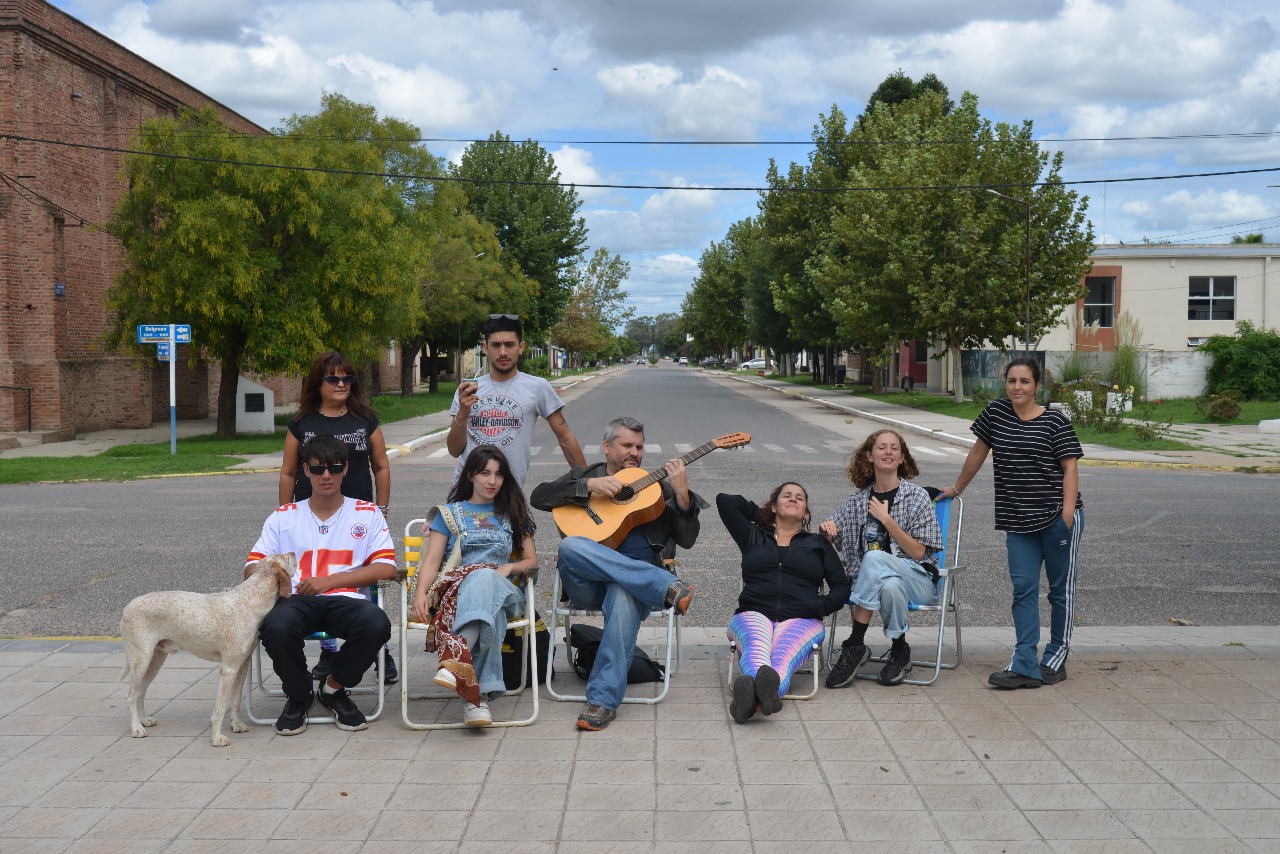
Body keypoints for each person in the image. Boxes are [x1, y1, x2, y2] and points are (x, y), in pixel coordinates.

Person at [530, 416, 702, 731]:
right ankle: (662, 584)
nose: (634, 452)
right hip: (589, 585)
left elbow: (687, 540)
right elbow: (538, 497)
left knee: (623, 592)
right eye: (627, 445)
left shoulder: (657, 486)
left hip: (633, 591)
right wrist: (586, 486)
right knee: (570, 547)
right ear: (607, 447)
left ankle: (602, 702)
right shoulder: (588, 476)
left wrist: (682, 497)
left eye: (639, 447)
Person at [941, 356, 1084, 689]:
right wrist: (956, 488)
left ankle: (1055, 657)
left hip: (1056, 517)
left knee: (1060, 591)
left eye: (1025, 381)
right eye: (1012, 381)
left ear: (1037, 386)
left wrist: (1066, 514)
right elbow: (978, 453)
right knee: (1023, 590)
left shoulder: (1054, 421)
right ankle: (1024, 664)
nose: (1017, 387)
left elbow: (1070, 467)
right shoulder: (996, 413)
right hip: (1018, 521)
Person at [248, 434, 396, 735]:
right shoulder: (284, 516)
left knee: (376, 623)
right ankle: (299, 694)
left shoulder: (367, 513)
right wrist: (281, 579)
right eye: (317, 468)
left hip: (347, 599)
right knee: (275, 626)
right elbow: (252, 566)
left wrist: (329, 581)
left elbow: (386, 568)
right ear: (305, 470)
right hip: (295, 599)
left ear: (346, 469)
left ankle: (333, 688)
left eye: (334, 467)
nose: (326, 475)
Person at [278, 352, 396, 686]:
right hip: (313, 513)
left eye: (347, 378)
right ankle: (329, 650)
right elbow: (287, 472)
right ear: (318, 383)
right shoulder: (302, 424)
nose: (341, 384)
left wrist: (382, 511)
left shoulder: (365, 420)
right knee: (316, 578)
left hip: (357, 517)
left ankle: (379, 649)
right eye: (333, 378)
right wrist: (285, 514)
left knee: (363, 585)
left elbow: (381, 466)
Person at [408, 445, 538, 726]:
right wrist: (419, 594)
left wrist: (509, 567)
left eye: (499, 475)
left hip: (505, 591)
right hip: (459, 595)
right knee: (492, 615)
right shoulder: (448, 514)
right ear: (470, 475)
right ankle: (476, 701)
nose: (492, 481)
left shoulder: (512, 512)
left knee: (485, 576)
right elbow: (432, 562)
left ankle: (457, 653)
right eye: (485, 473)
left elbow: (531, 561)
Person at [717, 483, 850, 724]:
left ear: (806, 512)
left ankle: (749, 699)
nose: (793, 499)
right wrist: (764, 516)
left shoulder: (818, 544)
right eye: (786, 496)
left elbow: (841, 585)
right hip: (752, 613)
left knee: (782, 657)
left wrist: (820, 606)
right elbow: (725, 501)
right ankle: (761, 698)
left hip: (803, 618)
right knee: (757, 647)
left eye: (800, 498)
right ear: (773, 506)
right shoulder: (752, 535)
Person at [821, 429, 943, 689]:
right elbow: (832, 532)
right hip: (884, 586)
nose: (888, 452)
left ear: (902, 458)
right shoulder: (857, 501)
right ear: (869, 455)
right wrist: (827, 531)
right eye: (882, 447)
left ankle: (855, 643)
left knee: (874, 557)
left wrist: (887, 520)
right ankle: (900, 650)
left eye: (894, 448)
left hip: (919, 582)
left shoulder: (917, 497)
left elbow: (919, 553)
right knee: (889, 584)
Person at [447, 314, 586, 488]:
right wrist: (462, 413)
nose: (503, 352)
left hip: (509, 493)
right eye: (496, 345)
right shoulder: (468, 389)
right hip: (465, 491)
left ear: (521, 347)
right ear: (485, 348)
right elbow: (454, 451)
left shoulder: (537, 387)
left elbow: (565, 437)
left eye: (509, 344)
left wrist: (587, 481)